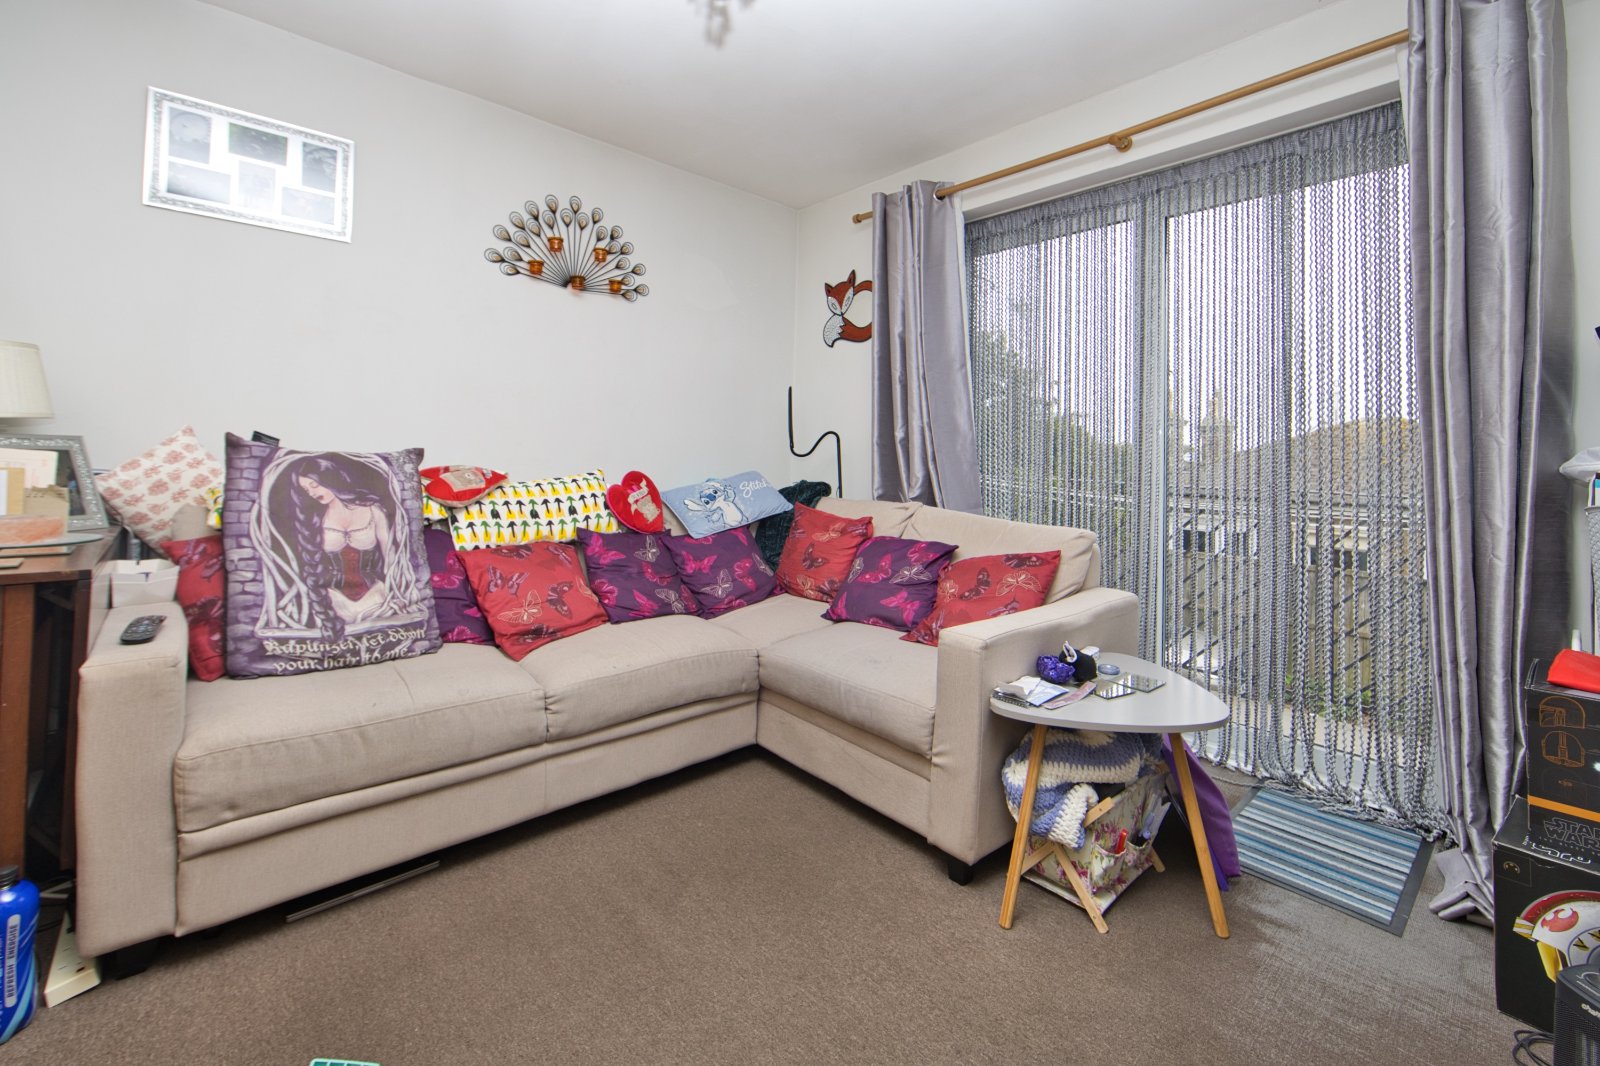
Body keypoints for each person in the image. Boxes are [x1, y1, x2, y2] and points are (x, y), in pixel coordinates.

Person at [278, 455, 401, 637]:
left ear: (329, 478)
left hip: (376, 596)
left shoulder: (373, 511)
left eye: (314, 485)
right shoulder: (315, 520)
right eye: (306, 489)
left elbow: (390, 556)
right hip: (332, 601)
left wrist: (395, 591)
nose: (311, 492)